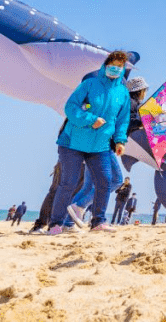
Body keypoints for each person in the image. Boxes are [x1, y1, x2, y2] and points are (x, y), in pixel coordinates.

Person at [46, 50, 132, 235]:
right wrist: (90, 119)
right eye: (113, 65)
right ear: (105, 65)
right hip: (72, 143)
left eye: (119, 67)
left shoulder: (122, 93)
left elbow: (123, 120)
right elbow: (71, 107)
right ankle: (55, 224)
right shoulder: (89, 84)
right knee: (68, 183)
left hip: (99, 145)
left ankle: (98, 221)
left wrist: (120, 141)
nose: (115, 69)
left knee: (105, 182)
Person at [68, 75, 149, 228]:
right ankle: (81, 207)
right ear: (139, 91)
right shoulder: (130, 103)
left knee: (88, 186)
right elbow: (125, 121)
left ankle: (68, 221)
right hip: (102, 145)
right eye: (145, 90)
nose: (145, 94)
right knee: (116, 180)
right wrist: (142, 122)